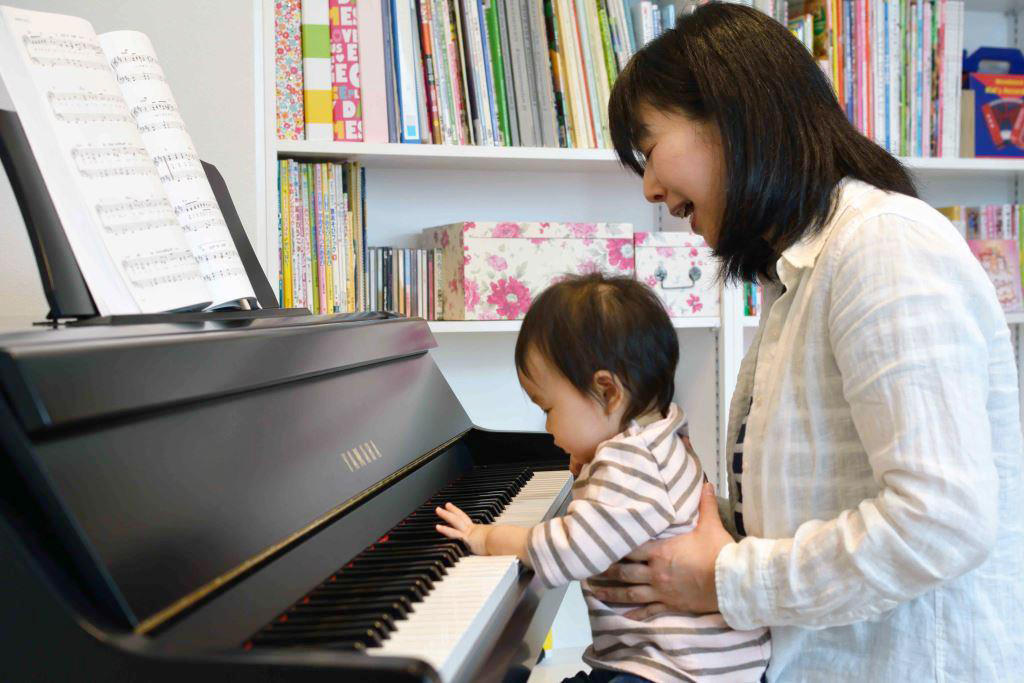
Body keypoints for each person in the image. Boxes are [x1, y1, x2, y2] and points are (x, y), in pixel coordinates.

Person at [588, 3, 1024, 681]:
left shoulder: (884, 246)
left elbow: (942, 520)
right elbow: (811, 500)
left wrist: (723, 577)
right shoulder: (799, 273)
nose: (650, 187)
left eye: (649, 150)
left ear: (729, 114)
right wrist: (671, 518)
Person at [435, 273, 770, 682]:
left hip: (675, 670)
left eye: (548, 409)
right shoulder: (658, 434)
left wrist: (487, 537)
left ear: (608, 392)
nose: (546, 428)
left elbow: (571, 549)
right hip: (670, 661)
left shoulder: (631, 462)